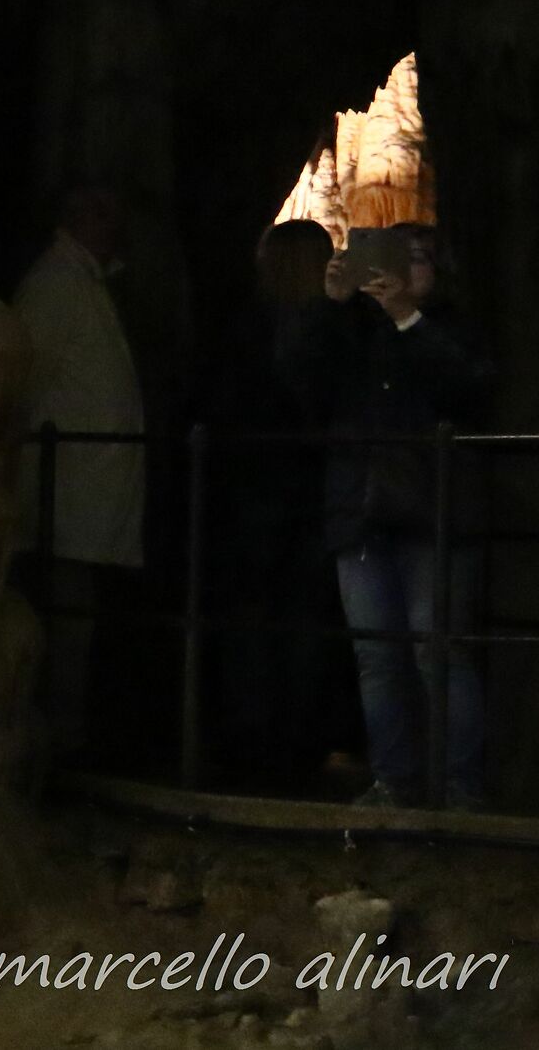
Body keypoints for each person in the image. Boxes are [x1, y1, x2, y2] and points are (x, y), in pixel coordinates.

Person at [277, 222, 495, 808]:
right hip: (362, 512)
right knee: (377, 655)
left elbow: (470, 389)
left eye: (418, 258)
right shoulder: (350, 333)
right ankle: (394, 782)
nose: (405, 269)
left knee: (439, 650)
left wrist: (407, 319)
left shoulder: (452, 330)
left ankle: (458, 787)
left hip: (436, 515)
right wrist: (329, 305)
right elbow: (297, 375)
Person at [202, 218, 355, 792]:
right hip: (303, 497)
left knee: (256, 625)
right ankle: (296, 740)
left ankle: (253, 740)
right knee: (300, 625)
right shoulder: (327, 327)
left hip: (254, 499)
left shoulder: (247, 328)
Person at [14, 185, 147, 764]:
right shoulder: (56, 286)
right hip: (64, 491)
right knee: (66, 621)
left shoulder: (84, 283)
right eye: (105, 215)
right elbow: (25, 378)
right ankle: (55, 738)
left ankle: (66, 734)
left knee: (78, 619)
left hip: (85, 490)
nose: (115, 229)